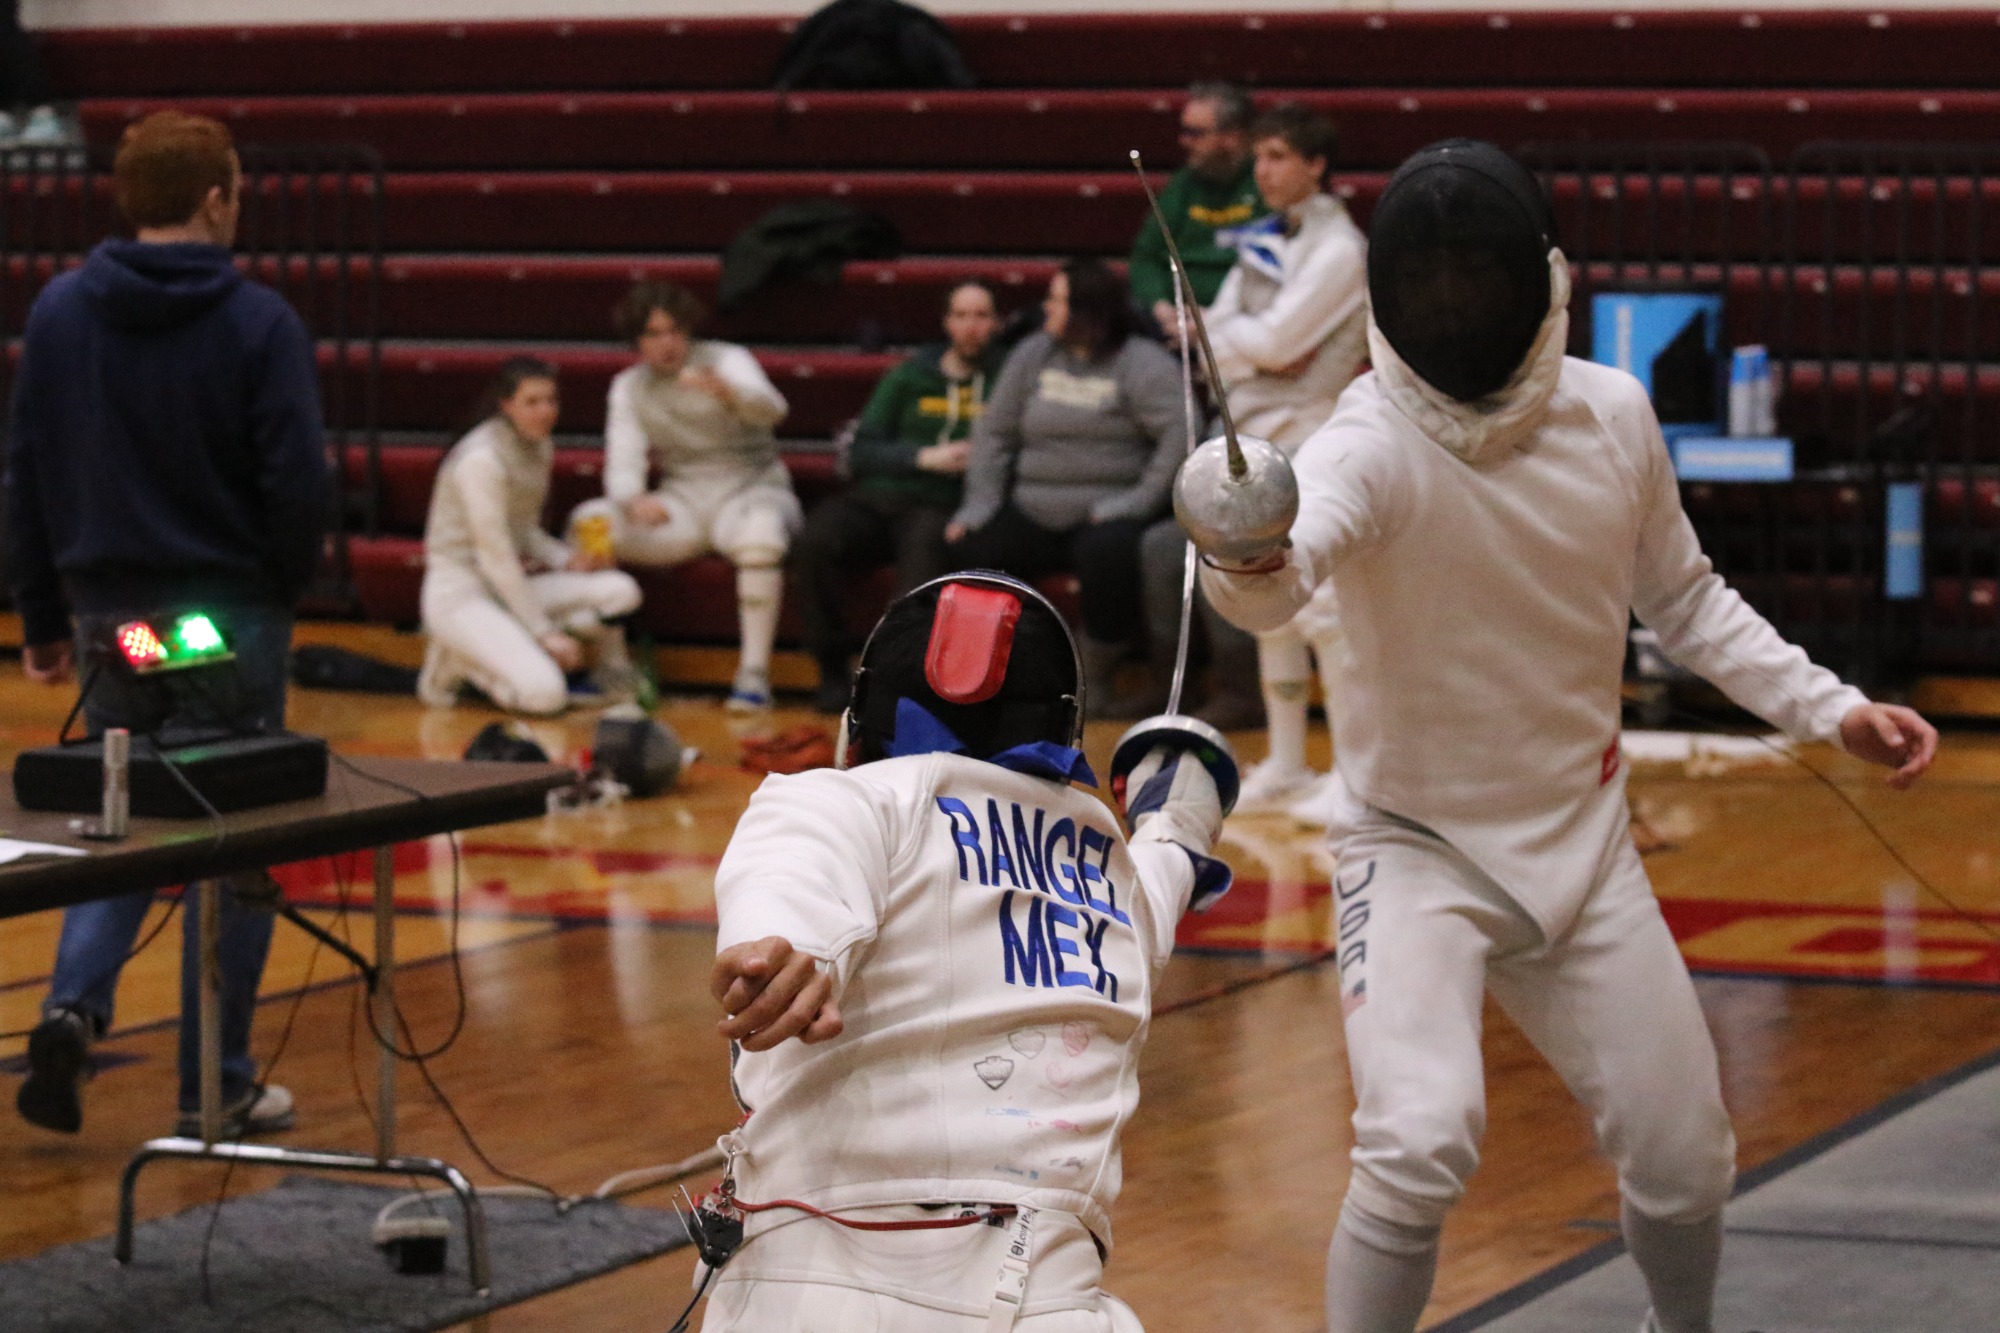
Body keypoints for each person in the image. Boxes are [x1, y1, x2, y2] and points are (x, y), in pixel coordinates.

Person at [1196, 140, 1940, 1333]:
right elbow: (1278, 583)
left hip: (1583, 848)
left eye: (1470, 278)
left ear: (1539, 280)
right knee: (1416, 1139)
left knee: (1686, 1154)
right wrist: (1242, 547)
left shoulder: (1610, 413)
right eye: (1428, 282)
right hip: (1413, 848)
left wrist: (1827, 706)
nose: (1450, 304)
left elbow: (1685, 598)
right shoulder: (1365, 443)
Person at [701, 571, 1233, 1331]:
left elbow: (792, 874)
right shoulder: (1111, 871)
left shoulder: (845, 799)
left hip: (815, 1293)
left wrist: (788, 954)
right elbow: (1172, 854)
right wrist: (1181, 804)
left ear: (867, 716)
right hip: (1053, 1302)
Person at [5, 110, 328, 1137]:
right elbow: (296, 482)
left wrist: (43, 617)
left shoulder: (58, 313)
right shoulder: (256, 321)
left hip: (114, 624)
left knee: (123, 819)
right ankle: (215, 1075)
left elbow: (26, 475)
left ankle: (69, 1008)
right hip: (223, 619)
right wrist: (276, 589)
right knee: (230, 833)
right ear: (216, 198)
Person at [1131, 103, 1366, 741]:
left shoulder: (1342, 249)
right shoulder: (1264, 238)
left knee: (1322, 610)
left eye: (1279, 155)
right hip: (1253, 437)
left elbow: (1275, 342)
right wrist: (1245, 346)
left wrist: (1243, 345)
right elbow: (1212, 333)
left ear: (1316, 165)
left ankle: (1346, 776)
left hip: (1312, 436)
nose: (1262, 169)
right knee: (1272, 610)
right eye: (1259, 155)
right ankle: (1288, 766)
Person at [945, 260, 1187, 708]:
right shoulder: (1033, 353)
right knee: (976, 549)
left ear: (1087, 311)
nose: (1046, 309)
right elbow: (994, 433)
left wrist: (1139, 501)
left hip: (1107, 509)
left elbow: (1177, 438)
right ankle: (993, 674)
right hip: (1034, 504)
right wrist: (979, 505)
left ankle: (1092, 677)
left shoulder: (1142, 363)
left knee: (1108, 556)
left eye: (1056, 301)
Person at [568, 280, 797, 712]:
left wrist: (729, 392)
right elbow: (623, 457)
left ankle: (753, 675)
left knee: (760, 537)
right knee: (591, 522)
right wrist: (632, 498)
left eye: (674, 331)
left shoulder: (728, 360)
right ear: (638, 340)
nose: (667, 343)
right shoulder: (629, 386)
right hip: (685, 500)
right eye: (654, 334)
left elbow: (774, 409)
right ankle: (613, 667)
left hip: (753, 486)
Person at [793, 279, 1005, 715]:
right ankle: (832, 669)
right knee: (814, 542)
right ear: (946, 322)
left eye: (981, 316)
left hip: (940, 504)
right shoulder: (910, 375)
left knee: (922, 571)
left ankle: (896, 683)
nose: (971, 327)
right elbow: (863, 449)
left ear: (996, 323)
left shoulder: (1006, 376)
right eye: (961, 315)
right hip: (879, 497)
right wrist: (924, 457)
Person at [417, 358, 643, 716]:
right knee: (545, 697)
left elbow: (522, 531)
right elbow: (496, 555)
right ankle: (458, 663)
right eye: (532, 402)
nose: (545, 411)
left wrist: (567, 560)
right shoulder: (481, 461)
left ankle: (508, 646)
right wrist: (543, 634)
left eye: (550, 400)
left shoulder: (540, 447)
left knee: (620, 591)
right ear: (506, 405)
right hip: (459, 596)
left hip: (506, 589)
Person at [1127, 81, 1265, 336]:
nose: (1184, 141)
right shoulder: (1183, 184)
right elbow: (1146, 257)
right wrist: (1159, 306)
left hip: (1240, 324)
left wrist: (1214, 320)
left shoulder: (1267, 184)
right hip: (1168, 323)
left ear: (1232, 137)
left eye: (1196, 133)